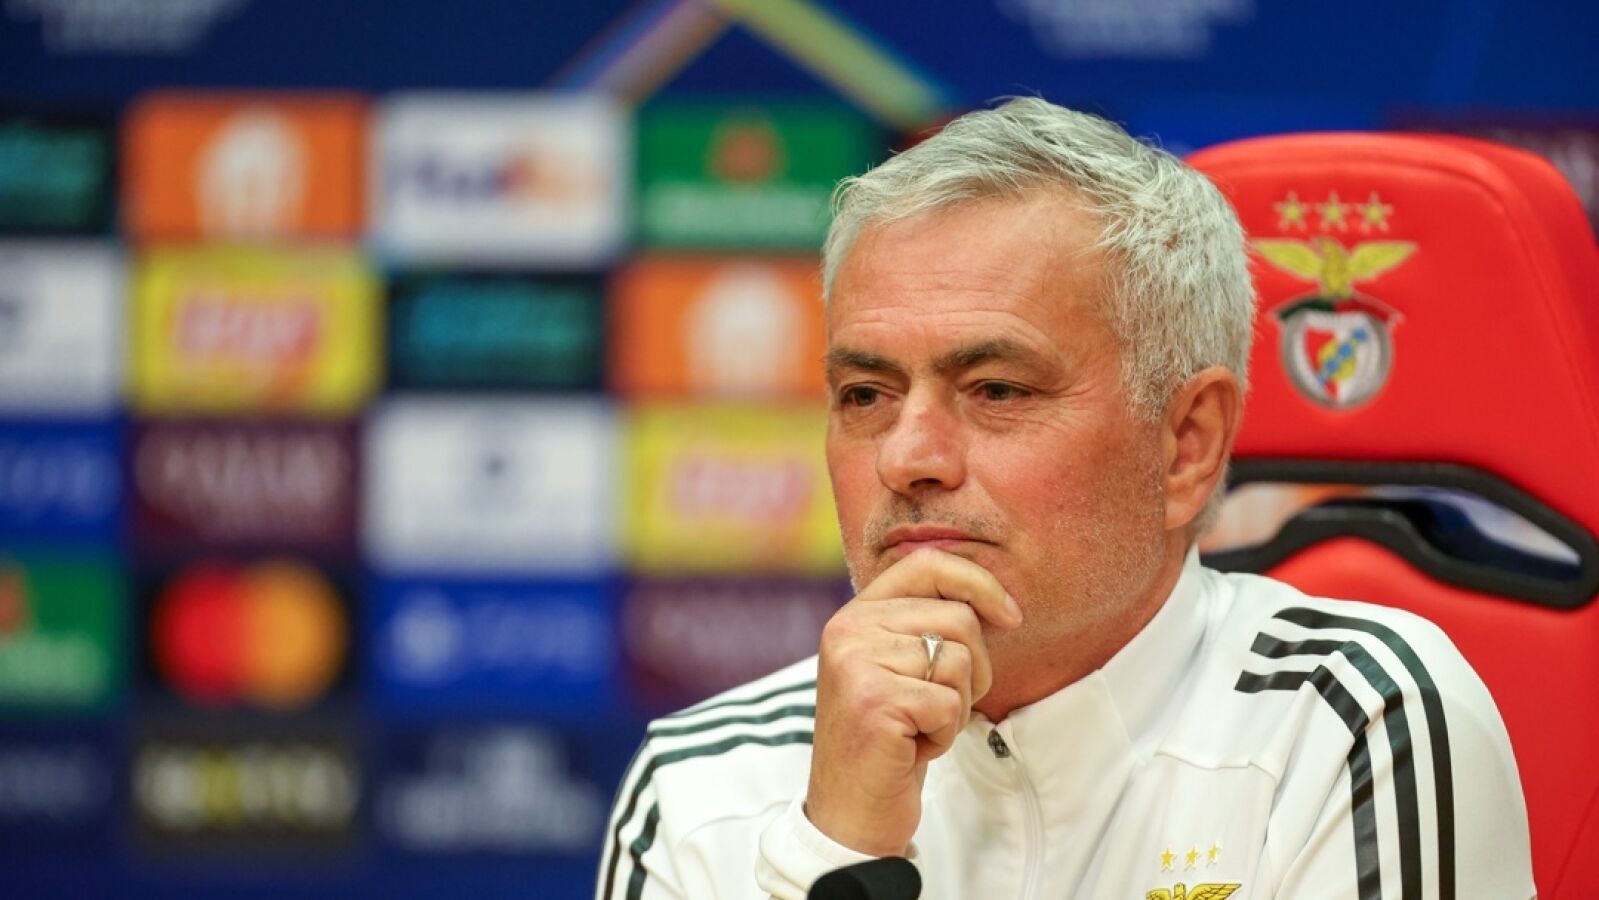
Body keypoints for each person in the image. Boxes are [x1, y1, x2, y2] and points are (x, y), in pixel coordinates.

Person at [596, 98, 1534, 900]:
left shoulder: (1350, 723)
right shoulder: (698, 785)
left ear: (1185, 445)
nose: (907, 458)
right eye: (866, 396)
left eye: (996, 389)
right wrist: (835, 849)